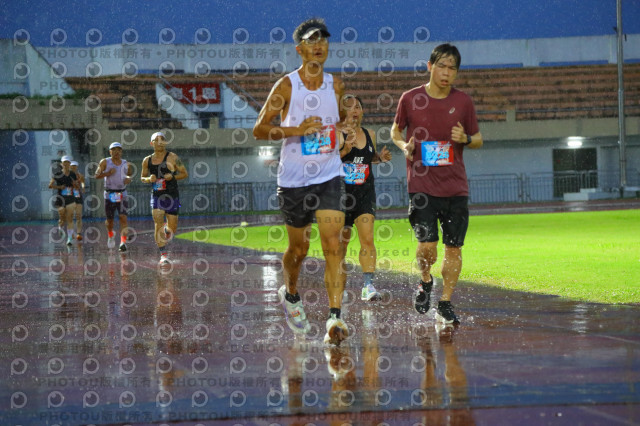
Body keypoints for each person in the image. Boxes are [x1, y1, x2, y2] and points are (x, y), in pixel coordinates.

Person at [253, 18, 349, 345]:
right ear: (299, 49)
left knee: (333, 244)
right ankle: (291, 294)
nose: (319, 45)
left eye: (323, 40)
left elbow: (338, 122)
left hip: (330, 174)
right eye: (311, 41)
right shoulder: (286, 86)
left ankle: (335, 317)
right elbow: (259, 129)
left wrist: (342, 133)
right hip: (294, 180)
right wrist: (298, 130)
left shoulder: (336, 85)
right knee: (299, 248)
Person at [391, 43, 483, 325]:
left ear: (457, 72)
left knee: (454, 247)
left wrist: (466, 139)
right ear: (430, 66)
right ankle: (425, 280)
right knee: (427, 246)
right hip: (422, 184)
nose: (446, 72)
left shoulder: (463, 102)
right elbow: (395, 130)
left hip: (455, 187)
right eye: (441, 66)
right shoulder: (410, 98)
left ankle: (445, 302)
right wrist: (403, 146)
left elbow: (478, 138)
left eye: (452, 68)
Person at [338, 94, 392, 301]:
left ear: (362, 111)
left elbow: (368, 158)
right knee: (341, 244)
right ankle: (339, 285)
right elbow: (328, 160)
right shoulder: (337, 134)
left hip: (365, 193)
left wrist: (379, 158)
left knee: (367, 239)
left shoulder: (370, 134)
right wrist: (345, 149)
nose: (354, 111)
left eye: (358, 107)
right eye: (350, 107)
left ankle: (368, 285)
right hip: (342, 195)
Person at [140, 131, 188, 265]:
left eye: (162, 140)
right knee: (158, 220)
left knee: (172, 227)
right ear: (152, 143)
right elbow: (142, 177)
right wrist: (149, 179)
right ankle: (163, 255)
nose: (160, 142)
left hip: (172, 195)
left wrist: (172, 176)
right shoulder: (147, 160)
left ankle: (167, 230)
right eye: (157, 140)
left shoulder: (173, 157)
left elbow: (184, 173)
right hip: (157, 195)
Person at [94, 142, 134, 252]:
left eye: (119, 150)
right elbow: (96, 175)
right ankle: (111, 234)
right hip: (109, 194)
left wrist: (129, 179)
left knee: (123, 218)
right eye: (114, 150)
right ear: (110, 151)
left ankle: (123, 243)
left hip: (122, 194)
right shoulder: (105, 162)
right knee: (110, 220)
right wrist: (107, 173)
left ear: (121, 152)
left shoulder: (126, 163)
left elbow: (129, 175)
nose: (116, 152)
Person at [49, 155, 78, 246]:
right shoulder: (57, 174)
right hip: (61, 199)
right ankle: (60, 227)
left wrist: (75, 184)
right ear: (61, 164)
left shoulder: (73, 174)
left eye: (68, 162)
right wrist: (59, 187)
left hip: (70, 198)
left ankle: (69, 239)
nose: (66, 164)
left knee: (70, 218)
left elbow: (77, 187)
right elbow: (50, 185)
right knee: (62, 218)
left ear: (70, 164)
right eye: (64, 162)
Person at [69, 160, 85, 241]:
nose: (73, 167)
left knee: (78, 215)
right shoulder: (67, 176)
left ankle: (79, 233)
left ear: (77, 167)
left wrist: (83, 187)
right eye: (72, 166)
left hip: (78, 196)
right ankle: (70, 233)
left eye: (75, 166)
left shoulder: (80, 175)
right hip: (69, 197)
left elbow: (83, 182)